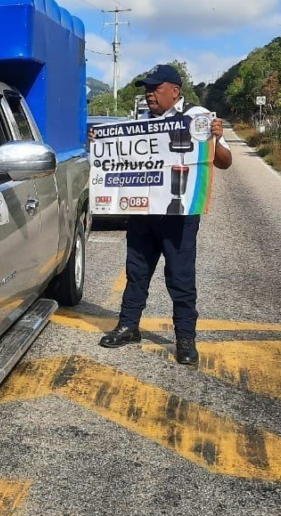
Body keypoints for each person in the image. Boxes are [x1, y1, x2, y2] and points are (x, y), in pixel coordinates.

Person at [98, 64, 232, 365]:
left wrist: (215, 138)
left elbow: (225, 162)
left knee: (181, 277)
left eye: (155, 88)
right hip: (144, 214)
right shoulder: (141, 121)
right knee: (137, 272)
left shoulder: (198, 119)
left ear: (175, 90)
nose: (149, 94)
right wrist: (102, 144)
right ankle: (128, 326)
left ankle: (185, 339)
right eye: (147, 89)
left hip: (179, 216)